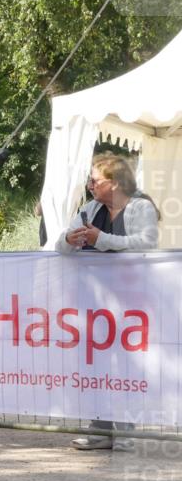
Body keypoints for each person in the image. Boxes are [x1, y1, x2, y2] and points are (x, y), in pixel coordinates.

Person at [57, 152, 159, 450]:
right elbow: (60, 244)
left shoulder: (141, 207)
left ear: (113, 183)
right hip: (94, 301)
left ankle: (129, 432)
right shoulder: (90, 208)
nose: (90, 185)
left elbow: (147, 243)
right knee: (94, 364)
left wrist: (101, 239)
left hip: (133, 302)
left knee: (127, 365)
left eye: (95, 180)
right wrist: (70, 240)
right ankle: (98, 429)